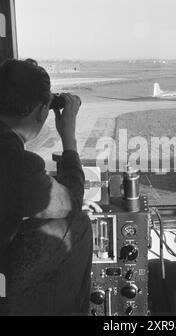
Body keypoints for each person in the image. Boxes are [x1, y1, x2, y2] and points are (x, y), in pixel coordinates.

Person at [0, 58, 95, 315]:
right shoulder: (17, 163)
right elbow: (71, 201)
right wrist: (69, 139)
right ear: (43, 112)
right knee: (78, 226)